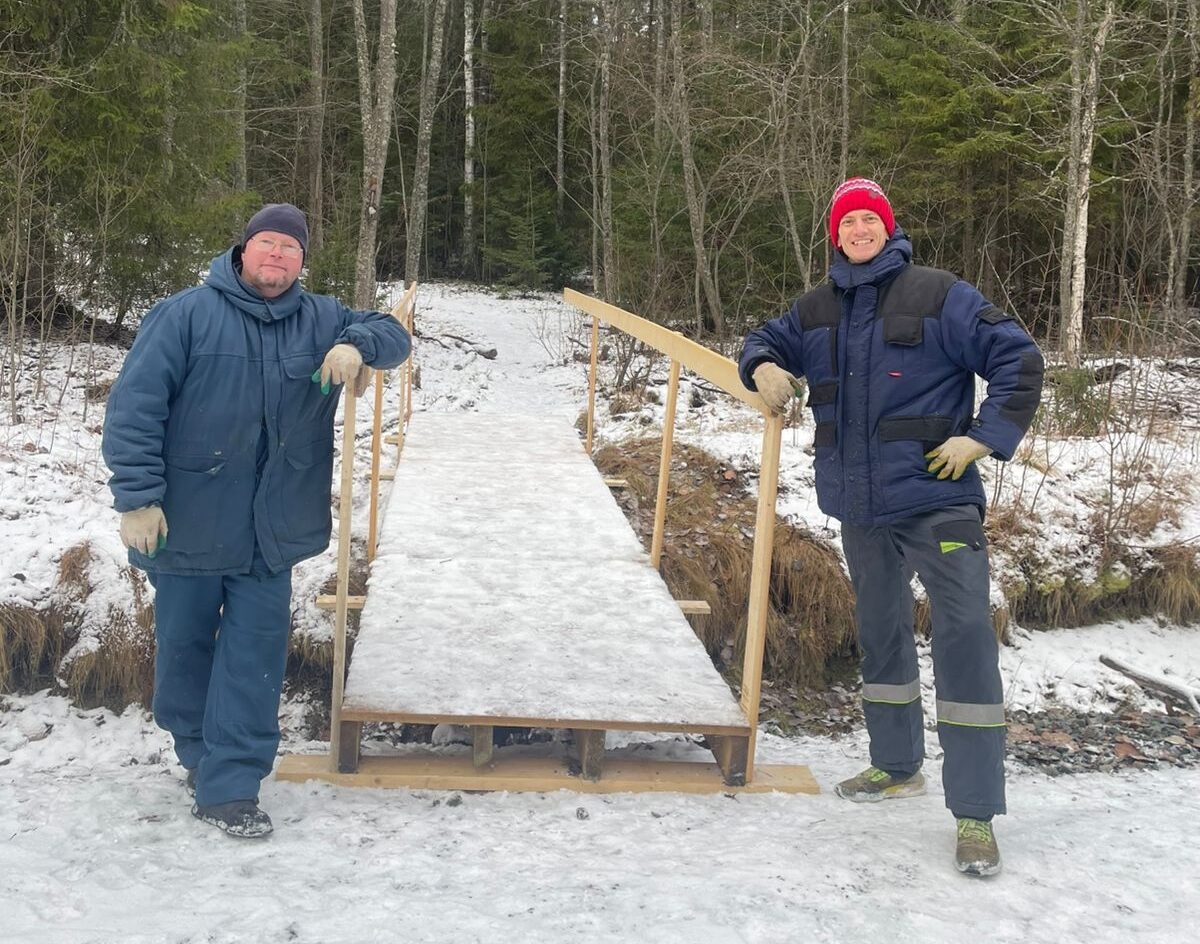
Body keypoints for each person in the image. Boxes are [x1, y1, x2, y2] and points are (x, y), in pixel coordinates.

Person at [739, 177, 1043, 876]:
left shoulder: (938, 294)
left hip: (938, 499)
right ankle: (897, 764)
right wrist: (761, 366)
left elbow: (1018, 357)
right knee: (880, 630)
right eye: (847, 223)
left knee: (964, 637)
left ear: (888, 228)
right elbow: (761, 339)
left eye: (869, 220)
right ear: (835, 235)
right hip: (862, 508)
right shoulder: (816, 308)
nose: (859, 231)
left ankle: (974, 812)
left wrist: (984, 437)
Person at [102, 203, 411, 839]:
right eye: (267, 243)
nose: (277, 255)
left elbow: (394, 332)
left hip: (270, 531)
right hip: (188, 522)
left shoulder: (322, 318)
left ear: (302, 261)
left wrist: (357, 344)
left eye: (290, 248)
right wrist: (137, 497)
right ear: (243, 250)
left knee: (255, 656)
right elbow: (135, 408)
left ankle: (231, 787)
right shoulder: (184, 315)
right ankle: (198, 753)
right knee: (184, 649)